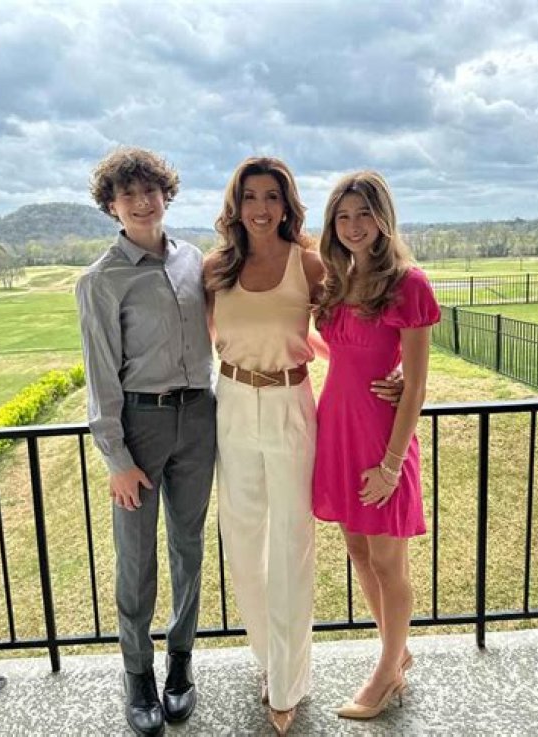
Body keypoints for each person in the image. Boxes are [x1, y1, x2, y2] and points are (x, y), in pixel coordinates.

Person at [75, 147, 215, 737]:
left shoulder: (194, 261)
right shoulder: (101, 279)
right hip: (140, 423)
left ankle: (181, 661)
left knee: (189, 546)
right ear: (111, 205)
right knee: (135, 559)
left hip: (199, 417)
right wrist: (116, 458)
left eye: (150, 190)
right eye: (127, 194)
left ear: (166, 194)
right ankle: (137, 674)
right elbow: (100, 376)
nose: (141, 201)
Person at [312, 170, 440, 720]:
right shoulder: (337, 281)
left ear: (383, 216)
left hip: (381, 439)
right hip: (337, 431)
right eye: (343, 216)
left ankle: (386, 674)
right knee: (359, 552)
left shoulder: (409, 284)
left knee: (389, 562)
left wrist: (391, 465)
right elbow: (342, 350)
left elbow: (417, 386)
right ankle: (396, 651)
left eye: (364, 213)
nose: (354, 225)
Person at [203, 156, 323, 736]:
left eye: (271, 196)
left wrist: (394, 371)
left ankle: (288, 682)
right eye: (250, 196)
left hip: (290, 402)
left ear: (286, 204)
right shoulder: (215, 268)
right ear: (236, 204)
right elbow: (193, 339)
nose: (260, 207)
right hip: (231, 403)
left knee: (293, 542)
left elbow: (356, 321)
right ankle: (267, 660)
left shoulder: (310, 264)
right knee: (244, 542)